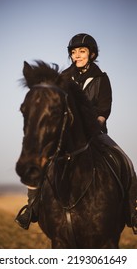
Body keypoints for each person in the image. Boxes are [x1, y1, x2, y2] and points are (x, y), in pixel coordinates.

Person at [16, 33, 137, 232]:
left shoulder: (101, 79)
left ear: (92, 54)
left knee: (127, 162)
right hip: (66, 135)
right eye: (74, 52)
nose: (77, 55)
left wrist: (95, 123)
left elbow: (104, 109)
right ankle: (31, 209)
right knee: (40, 162)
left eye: (82, 51)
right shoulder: (62, 78)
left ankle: (132, 211)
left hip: (95, 132)